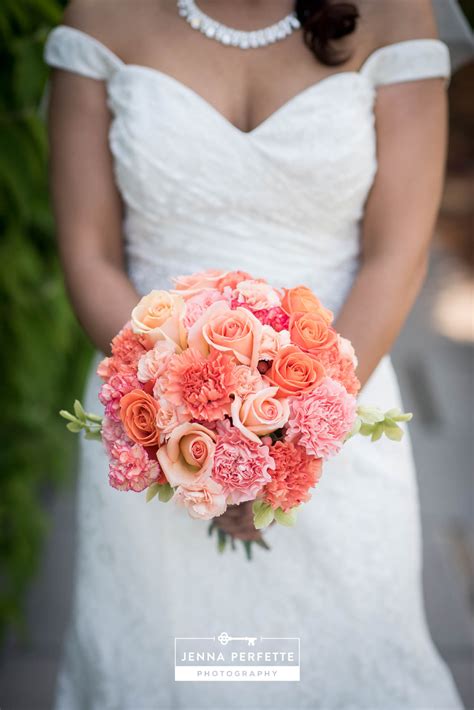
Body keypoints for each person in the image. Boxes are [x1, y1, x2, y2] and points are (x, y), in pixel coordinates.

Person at [44, 1, 464, 707]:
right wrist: (188, 423)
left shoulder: (397, 12)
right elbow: (89, 255)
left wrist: (289, 431)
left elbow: (398, 254)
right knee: (167, 668)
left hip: (340, 418)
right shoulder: (100, 14)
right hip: (151, 423)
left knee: (340, 666)